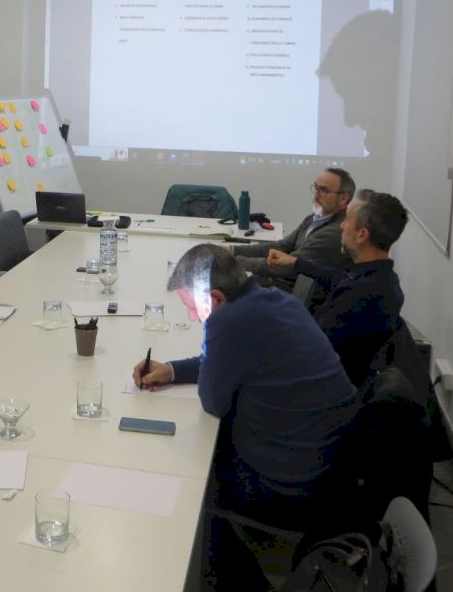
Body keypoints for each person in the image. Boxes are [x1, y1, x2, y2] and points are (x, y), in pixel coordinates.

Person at [134, 245, 357, 589]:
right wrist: (173, 370)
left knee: (180, 477)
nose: (192, 317)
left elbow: (213, 402)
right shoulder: (273, 301)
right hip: (328, 464)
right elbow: (232, 361)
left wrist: (210, 346)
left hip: (287, 486)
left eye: (192, 307)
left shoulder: (229, 321)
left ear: (216, 299)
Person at [268, 188, 408, 385]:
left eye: (347, 220)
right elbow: (338, 278)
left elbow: (311, 346)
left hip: (319, 386)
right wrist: (296, 262)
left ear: (361, 234)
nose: (341, 226)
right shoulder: (381, 279)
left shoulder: (359, 294)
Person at [230, 167, 355, 289]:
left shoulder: (335, 232)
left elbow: (285, 266)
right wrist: (232, 250)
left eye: (323, 190)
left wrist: (232, 261)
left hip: (290, 291)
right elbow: (282, 246)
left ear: (343, 198)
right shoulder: (315, 218)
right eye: (316, 188)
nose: (316, 195)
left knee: (228, 284)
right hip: (280, 283)